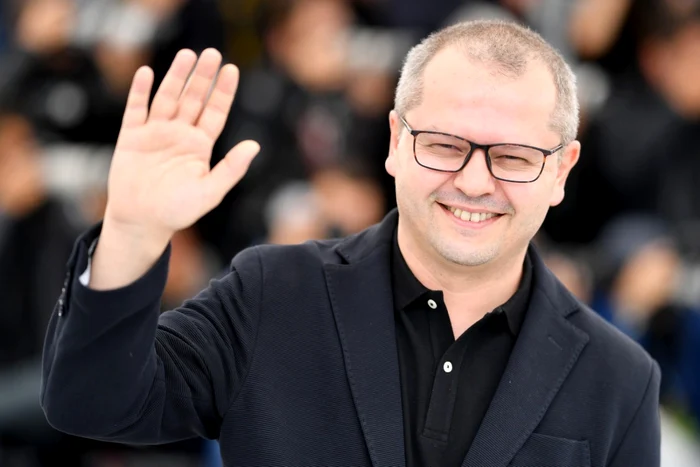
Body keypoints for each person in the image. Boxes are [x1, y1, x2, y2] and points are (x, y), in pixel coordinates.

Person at [40, 19, 661, 467]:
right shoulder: (270, 295)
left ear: (561, 170)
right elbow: (92, 406)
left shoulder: (619, 380)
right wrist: (131, 233)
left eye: (514, 157)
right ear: (394, 141)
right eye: (444, 145)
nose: (475, 181)